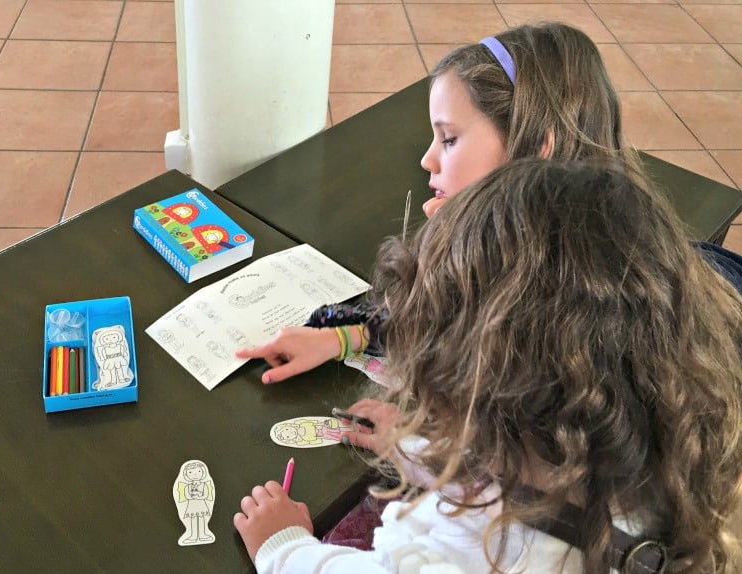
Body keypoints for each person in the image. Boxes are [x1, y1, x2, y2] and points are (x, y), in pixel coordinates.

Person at [233, 158, 742, 573]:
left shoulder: (461, 552)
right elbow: (509, 471)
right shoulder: (659, 449)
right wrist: (416, 447)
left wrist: (282, 548)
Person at [235, 22, 742, 384]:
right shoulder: (533, 239)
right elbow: (441, 324)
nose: (427, 160)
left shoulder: (576, 318)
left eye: (449, 140)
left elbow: (476, 377)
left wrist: (438, 262)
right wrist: (342, 338)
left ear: (534, 151)